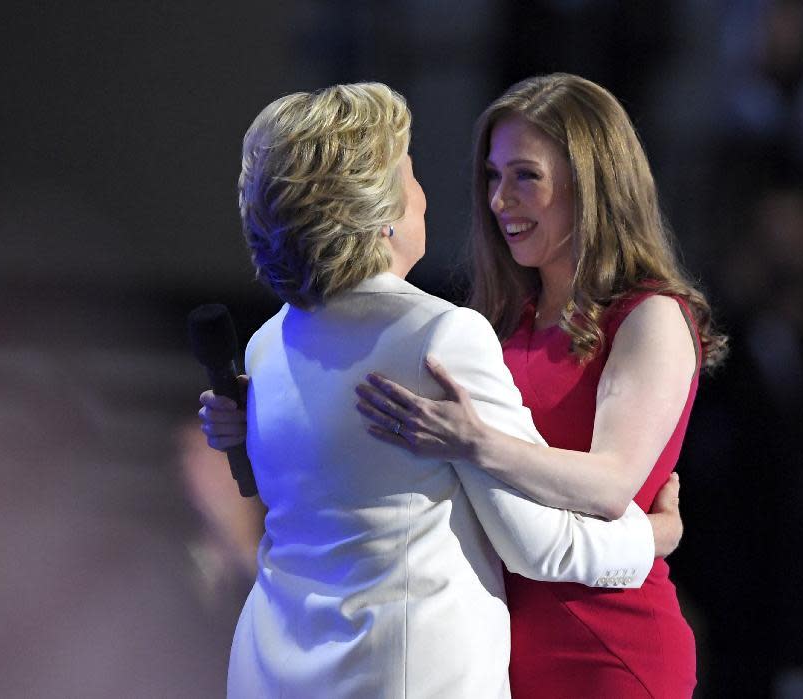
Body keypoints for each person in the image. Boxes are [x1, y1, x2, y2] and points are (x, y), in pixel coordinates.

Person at [202, 82, 684, 698]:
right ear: (378, 214)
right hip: (403, 676)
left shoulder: (267, 346)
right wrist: (652, 537)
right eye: (409, 174)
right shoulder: (441, 334)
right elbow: (538, 547)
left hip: (272, 672)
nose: (427, 195)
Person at [354, 74, 728, 698]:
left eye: (525, 176)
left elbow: (611, 485)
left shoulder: (650, 316)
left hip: (607, 648)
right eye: (493, 177)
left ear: (592, 182)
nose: (501, 200)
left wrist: (476, 442)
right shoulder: (504, 325)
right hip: (498, 647)